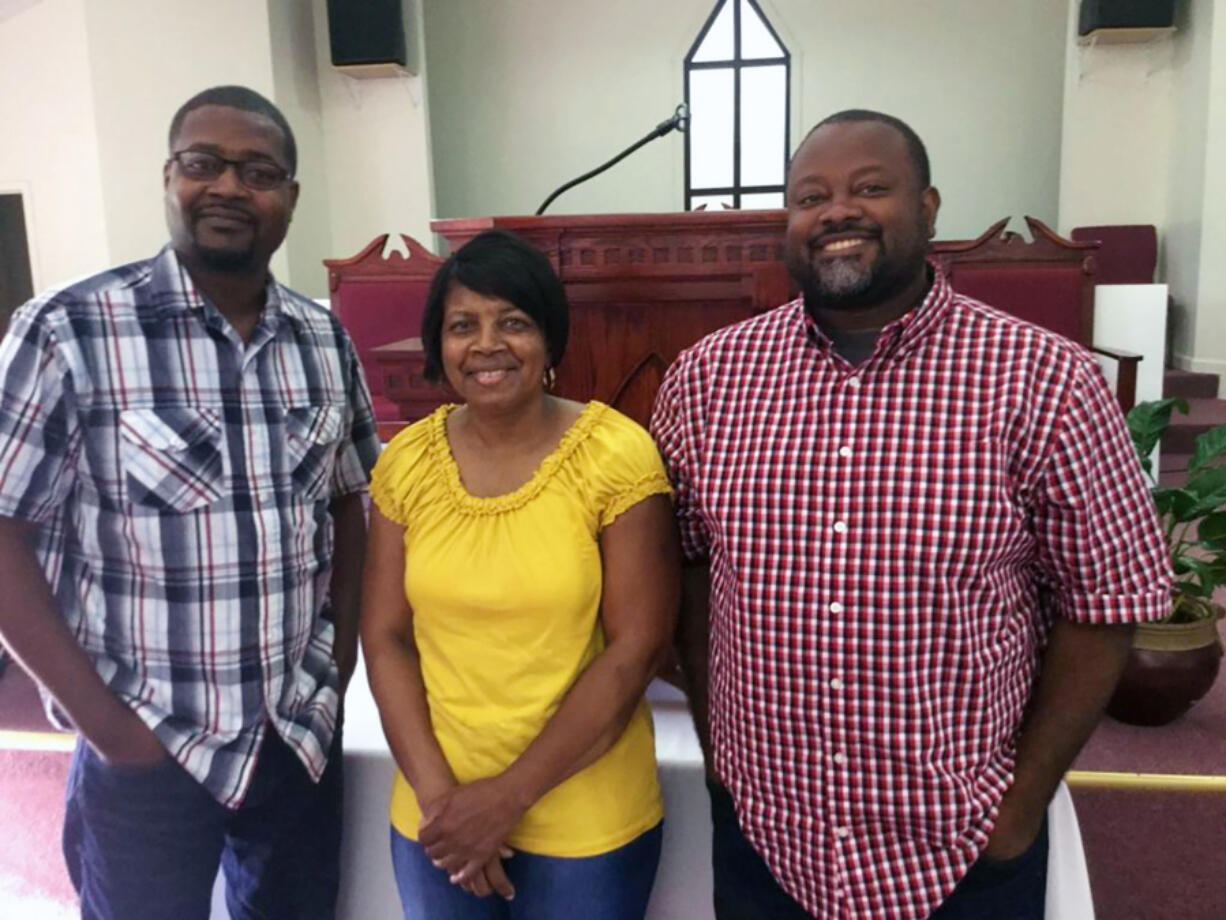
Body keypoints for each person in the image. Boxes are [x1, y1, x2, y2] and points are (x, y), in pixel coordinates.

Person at [650, 109, 1171, 920]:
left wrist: (1022, 804)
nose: (835, 213)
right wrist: (720, 745)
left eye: (870, 188)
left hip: (959, 843)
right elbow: (686, 563)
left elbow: (1103, 607)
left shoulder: (1046, 382)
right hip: (766, 834)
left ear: (928, 209)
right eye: (809, 196)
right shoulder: (710, 379)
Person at [0, 85, 379, 919]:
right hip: (149, 743)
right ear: (169, 177)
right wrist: (110, 729)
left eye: (259, 172)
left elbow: (352, 502)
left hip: (295, 741)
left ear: (291, 196)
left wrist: (338, 663)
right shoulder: (69, 329)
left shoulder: (323, 341)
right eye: (203, 165)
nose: (230, 190)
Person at [361, 229, 679, 919]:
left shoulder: (615, 455)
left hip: (585, 816)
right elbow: (384, 636)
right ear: (438, 346)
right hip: (435, 813)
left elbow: (637, 648)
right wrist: (446, 806)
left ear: (549, 339)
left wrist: (501, 802)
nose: (487, 345)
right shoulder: (406, 462)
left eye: (514, 323)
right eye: (462, 326)